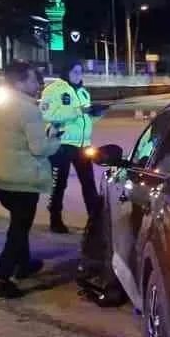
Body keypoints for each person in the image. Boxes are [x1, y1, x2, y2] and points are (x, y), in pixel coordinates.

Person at [0, 61, 59, 300]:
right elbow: (40, 148)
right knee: (19, 227)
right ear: (21, 82)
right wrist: (56, 140)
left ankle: (24, 264)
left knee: (18, 220)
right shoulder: (27, 109)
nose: (37, 85)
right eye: (34, 80)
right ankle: (3, 277)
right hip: (21, 177)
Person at [40, 59, 101, 233]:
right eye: (75, 72)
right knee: (59, 184)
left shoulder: (83, 92)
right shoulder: (54, 89)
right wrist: (79, 111)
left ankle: (95, 222)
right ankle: (55, 219)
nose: (78, 75)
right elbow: (47, 114)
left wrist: (96, 114)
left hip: (83, 145)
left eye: (81, 72)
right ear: (66, 72)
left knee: (89, 185)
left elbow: (84, 121)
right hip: (61, 144)